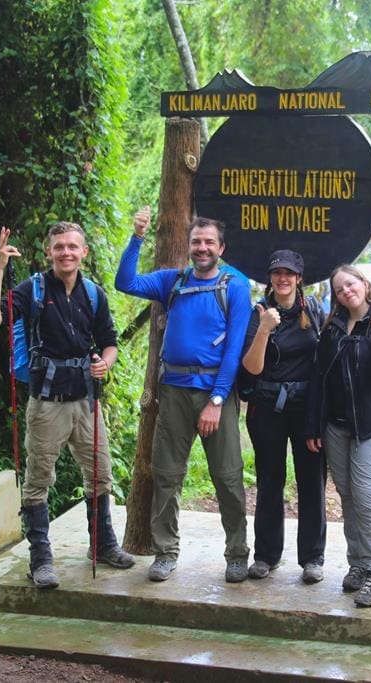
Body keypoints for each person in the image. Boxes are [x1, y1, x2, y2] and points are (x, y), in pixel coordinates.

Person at [0, 223, 134, 589]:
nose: (66, 252)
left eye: (72, 247)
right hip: (46, 403)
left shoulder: (93, 294)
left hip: (86, 399)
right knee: (38, 481)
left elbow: (109, 342)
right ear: (49, 252)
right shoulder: (31, 290)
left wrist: (106, 363)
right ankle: (40, 559)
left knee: (99, 473)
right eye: (59, 247)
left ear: (83, 252)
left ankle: (102, 546)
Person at [115, 207, 251, 584]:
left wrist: (218, 399)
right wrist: (137, 237)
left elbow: (234, 348)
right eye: (196, 242)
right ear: (189, 246)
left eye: (209, 242)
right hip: (173, 391)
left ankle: (237, 554)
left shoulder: (234, 286)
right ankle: (165, 551)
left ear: (221, 247)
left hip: (214, 393)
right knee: (166, 475)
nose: (202, 248)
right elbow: (124, 282)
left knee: (227, 477)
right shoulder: (172, 281)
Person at [305, 264, 371, 607]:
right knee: (347, 494)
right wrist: (314, 425)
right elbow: (320, 378)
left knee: (367, 495)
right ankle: (359, 563)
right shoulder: (332, 328)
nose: (347, 291)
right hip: (337, 426)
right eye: (340, 289)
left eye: (351, 284)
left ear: (364, 283)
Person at [240, 250, 326, 584]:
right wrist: (264, 329)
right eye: (277, 273)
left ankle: (312, 557)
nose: (283, 278)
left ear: (299, 278)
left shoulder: (315, 310)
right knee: (269, 481)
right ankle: (266, 555)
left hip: (307, 409)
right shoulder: (259, 312)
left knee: (312, 482)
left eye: (289, 273)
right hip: (267, 408)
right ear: (270, 278)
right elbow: (252, 368)